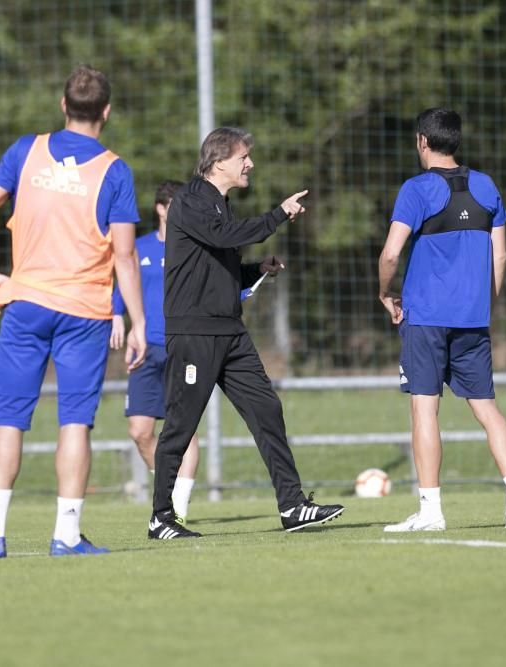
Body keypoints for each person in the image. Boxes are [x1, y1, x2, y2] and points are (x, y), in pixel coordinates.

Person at [0, 65, 146, 559]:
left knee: (8, 419)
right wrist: (138, 323)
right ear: (106, 111)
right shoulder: (114, 170)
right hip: (84, 312)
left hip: (26, 304)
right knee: (74, 423)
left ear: (63, 105)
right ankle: (65, 535)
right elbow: (126, 256)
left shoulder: (27, 151)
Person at [147, 126, 344, 539]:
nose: (249, 163)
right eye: (243, 157)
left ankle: (292, 506)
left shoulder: (221, 205)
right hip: (195, 334)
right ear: (219, 162)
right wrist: (278, 214)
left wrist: (257, 270)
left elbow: (221, 264)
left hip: (230, 332)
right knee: (181, 425)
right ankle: (161, 517)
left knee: (267, 409)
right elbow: (223, 237)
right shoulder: (190, 200)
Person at [377, 107, 506, 532]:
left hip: (425, 316)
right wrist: (484, 303)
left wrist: (385, 291)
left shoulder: (416, 189)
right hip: (472, 317)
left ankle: (431, 511)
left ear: (422, 141)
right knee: (487, 409)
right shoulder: (486, 186)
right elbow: (499, 255)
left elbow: (391, 253)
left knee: (425, 411)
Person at [110, 180, 201, 521]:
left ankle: (177, 506)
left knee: (183, 428)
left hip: (185, 347)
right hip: (146, 349)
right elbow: (123, 281)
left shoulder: (195, 248)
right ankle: (168, 487)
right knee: (140, 431)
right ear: (161, 209)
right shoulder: (139, 247)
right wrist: (117, 316)